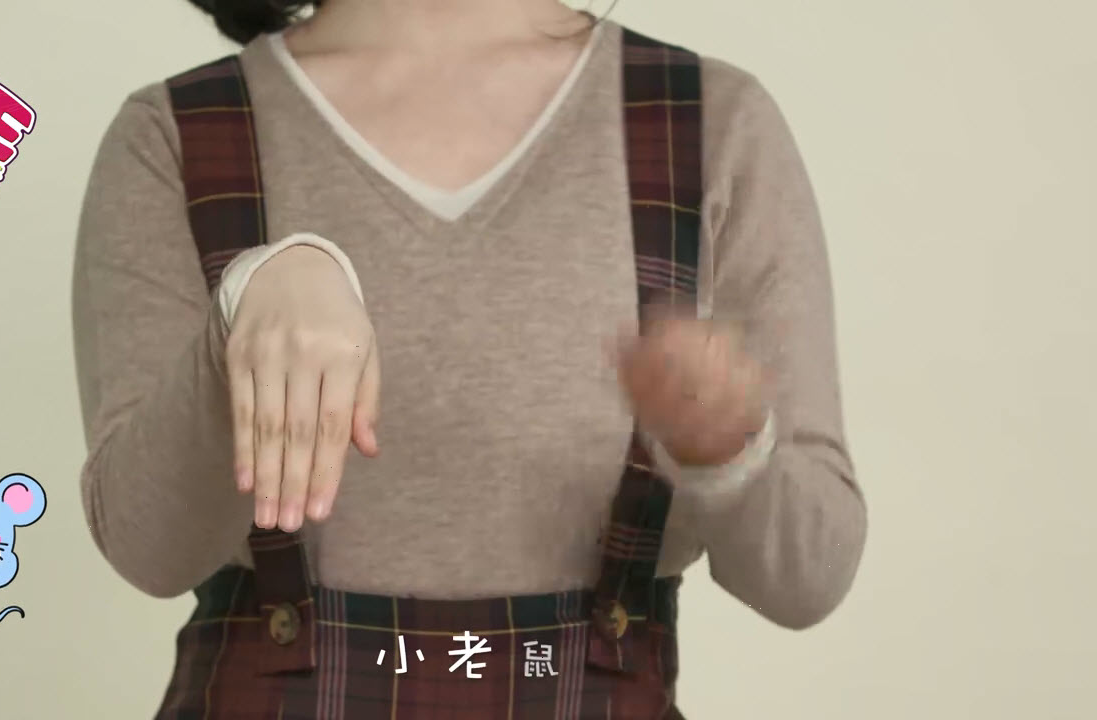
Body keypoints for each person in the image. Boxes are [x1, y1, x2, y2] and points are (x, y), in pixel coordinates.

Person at [72, 0, 867, 716]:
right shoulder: (177, 135)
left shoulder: (711, 123)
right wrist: (246, 299)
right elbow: (150, 548)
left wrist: (726, 450)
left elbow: (809, 578)